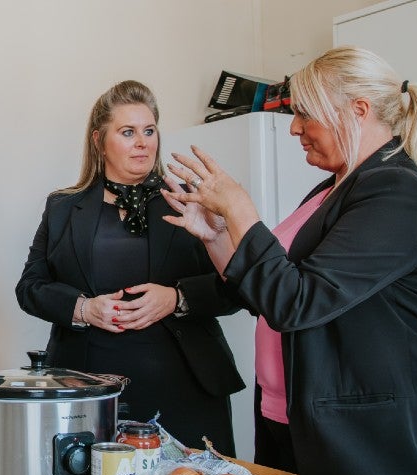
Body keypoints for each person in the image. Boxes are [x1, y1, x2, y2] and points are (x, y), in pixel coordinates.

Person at [162, 46, 417, 475]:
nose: (294, 127)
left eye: (305, 113)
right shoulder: (331, 189)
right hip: (293, 415)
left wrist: (240, 209)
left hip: (370, 435)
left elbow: (297, 303)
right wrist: (217, 236)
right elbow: (266, 294)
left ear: (357, 110)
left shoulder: (396, 191)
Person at [15, 80, 245, 455]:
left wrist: (177, 298)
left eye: (149, 131)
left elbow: (236, 288)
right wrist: (84, 308)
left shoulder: (192, 201)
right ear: (99, 141)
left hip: (187, 390)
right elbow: (30, 288)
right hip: (88, 392)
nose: (143, 142)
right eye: (128, 132)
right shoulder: (62, 207)